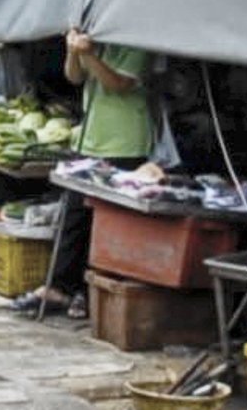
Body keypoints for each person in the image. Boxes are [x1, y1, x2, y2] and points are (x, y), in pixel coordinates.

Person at [14, 29, 153, 319]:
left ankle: (91, 294)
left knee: (109, 222)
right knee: (75, 215)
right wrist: (73, 51)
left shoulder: (137, 44)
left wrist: (87, 53)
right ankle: (60, 287)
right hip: (90, 142)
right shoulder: (97, 42)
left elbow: (118, 84)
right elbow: (74, 77)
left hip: (125, 144)